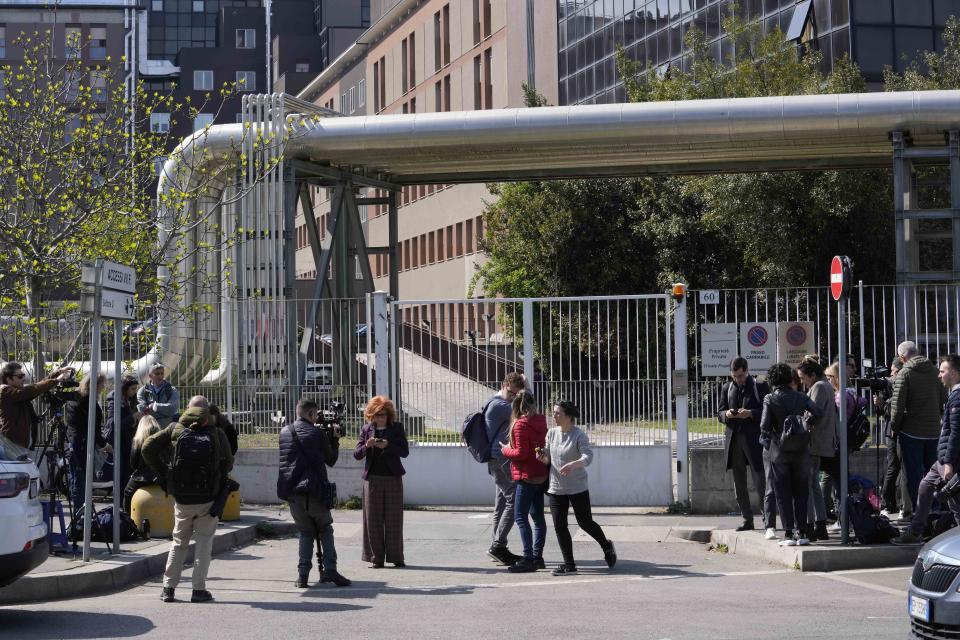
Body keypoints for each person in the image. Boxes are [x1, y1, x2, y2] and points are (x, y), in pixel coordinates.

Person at [142, 400, 234, 603]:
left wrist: (165, 473)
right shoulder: (217, 434)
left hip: (181, 498)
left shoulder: (174, 429)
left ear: (188, 410)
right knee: (203, 543)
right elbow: (228, 463)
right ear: (207, 413)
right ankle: (198, 590)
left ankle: (168, 588)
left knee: (178, 542)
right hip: (208, 498)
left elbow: (147, 447)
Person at [278, 399, 351, 588]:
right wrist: (334, 439)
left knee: (305, 532)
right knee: (325, 528)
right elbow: (331, 460)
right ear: (311, 414)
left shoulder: (285, 432)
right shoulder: (317, 433)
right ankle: (330, 571)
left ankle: (302, 576)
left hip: (292, 490)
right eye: (316, 414)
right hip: (314, 489)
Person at [538, 400, 616, 576]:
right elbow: (548, 458)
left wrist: (574, 464)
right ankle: (569, 564)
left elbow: (588, 457)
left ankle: (606, 545)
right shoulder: (551, 433)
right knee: (560, 525)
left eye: (558, 413)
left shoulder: (579, 435)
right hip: (556, 487)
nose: (554, 416)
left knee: (585, 522)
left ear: (569, 416)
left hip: (577, 487)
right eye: (554, 413)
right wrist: (542, 457)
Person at [892, 354, 960, 545]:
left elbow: (955, 433)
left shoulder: (957, 398)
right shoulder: (953, 395)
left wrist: (947, 462)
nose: (939, 375)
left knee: (955, 504)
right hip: (944, 458)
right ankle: (916, 530)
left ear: (953, 373)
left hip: (951, 460)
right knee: (926, 484)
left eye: (943, 371)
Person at [759, 362, 823, 546]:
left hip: (779, 452)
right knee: (801, 492)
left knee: (782, 493)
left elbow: (764, 426)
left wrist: (768, 443)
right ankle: (802, 532)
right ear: (789, 378)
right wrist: (805, 423)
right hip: (801, 450)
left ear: (772, 380)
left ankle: (788, 533)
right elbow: (818, 413)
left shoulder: (770, 399)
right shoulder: (801, 397)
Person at [717, 357, 772, 535]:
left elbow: (767, 411)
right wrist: (727, 414)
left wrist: (750, 414)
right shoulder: (727, 387)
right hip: (734, 440)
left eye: (740, 375)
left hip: (754, 440)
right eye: (734, 376)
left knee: (760, 481)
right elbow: (719, 412)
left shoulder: (760, 386)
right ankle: (747, 519)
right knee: (738, 482)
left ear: (747, 371)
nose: (738, 379)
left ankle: (768, 520)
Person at [891, 341, 947, 513]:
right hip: (933, 431)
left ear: (902, 357)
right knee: (934, 473)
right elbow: (942, 398)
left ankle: (919, 514)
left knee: (913, 475)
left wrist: (895, 426)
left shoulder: (905, 373)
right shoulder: (935, 371)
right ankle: (936, 510)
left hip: (911, 432)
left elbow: (897, 406)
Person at [354, 395, 409, 568]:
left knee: (394, 519)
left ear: (389, 414)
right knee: (372, 520)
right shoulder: (366, 429)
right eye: (377, 414)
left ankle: (396, 557)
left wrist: (388, 446)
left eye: (383, 414)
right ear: (371, 415)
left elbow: (404, 451)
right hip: (372, 480)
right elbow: (357, 454)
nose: (380, 417)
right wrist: (368, 446)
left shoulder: (397, 428)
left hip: (392, 478)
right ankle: (375, 558)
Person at [500, 390, 548, 573]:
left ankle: (528, 557)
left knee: (520, 516)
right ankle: (538, 557)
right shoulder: (541, 420)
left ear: (516, 407)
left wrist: (505, 450)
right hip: (541, 474)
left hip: (526, 476)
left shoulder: (520, 425)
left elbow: (521, 453)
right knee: (538, 518)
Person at [483, 371, 526, 565]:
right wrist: (527, 389)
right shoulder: (500, 406)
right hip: (502, 458)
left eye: (517, 394)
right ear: (503, 386)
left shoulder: (497, 402)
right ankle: (498, 545)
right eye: (511, 393)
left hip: (498, 458)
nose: (513, 397)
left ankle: (497, 546)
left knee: (501, 501)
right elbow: (528, 410)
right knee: (514, 499)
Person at [797, 359, 838, 542]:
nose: (802, 382)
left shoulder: (819, 387)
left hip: (815, 442)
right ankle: (819, 525)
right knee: (813, 484)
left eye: (803, 378)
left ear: (812, 375)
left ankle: (815, 524)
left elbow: (813, 413)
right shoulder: (826, 385)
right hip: (821, 441)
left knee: (810, 485)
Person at [64, 373, 110, 512]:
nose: (103, 388)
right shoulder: (89, 403)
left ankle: (80, 513)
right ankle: (82, 514)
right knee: (81, 481)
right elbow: (93, 430)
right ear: (95, 385)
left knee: (76, 480)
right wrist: (105, 445)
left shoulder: (74, 399)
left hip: (73, 444)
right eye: (102, 385)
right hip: (82, 446)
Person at [0, 362, 74, 448]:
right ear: (8, 379)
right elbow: (33, 389)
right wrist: (57, 380)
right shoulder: (5, 392)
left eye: (23, 375)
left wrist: (59, 372)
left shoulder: (16, 391)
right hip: (11, 445)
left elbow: (38, 386)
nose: (23, 379)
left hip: (18, 443)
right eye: (20, 376)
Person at [877, 359, 911, 519]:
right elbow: (883, 412)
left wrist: (887, 403)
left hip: (907, 429)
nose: (891, 375)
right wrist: (881, 403)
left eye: (893, 372)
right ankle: (886, 503)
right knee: (892, 467)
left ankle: (904, 506)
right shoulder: (886, 387)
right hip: (892, 430)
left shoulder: (908, 383)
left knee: (905, 467)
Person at [104, 376, 140, 493]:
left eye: (136, 389)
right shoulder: (115, 401)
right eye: (133, 389)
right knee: (120, 475)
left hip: (127, 442)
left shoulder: (130, 400)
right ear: (125, 389)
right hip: (118, 443)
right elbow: (114, 424)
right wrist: (133, 418)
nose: (135, 392)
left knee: (127, 475)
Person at [123, 414, 162, 514]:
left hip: (142, 478)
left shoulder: (137, 440)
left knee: (127, 492)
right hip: (160, 476)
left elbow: (133, 463)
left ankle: (127, 518)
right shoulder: (162, 439)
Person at [137, 363, 180, 428]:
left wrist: (154, 406)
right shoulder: (142, 391)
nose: (160, 376)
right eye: (157, 374)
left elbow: (172, 409)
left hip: (167, 430)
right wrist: (165, 412)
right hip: (149, 428)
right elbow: (143, 411)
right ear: (150, 376)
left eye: (162, 373)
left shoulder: (171, 390)